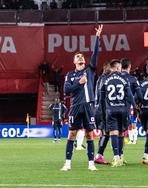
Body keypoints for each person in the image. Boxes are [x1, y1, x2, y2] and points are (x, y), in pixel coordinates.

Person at [60, 24, 103, 171]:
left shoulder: (90, 70)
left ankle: (91, 164)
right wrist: (79, 83)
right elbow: (66, 90)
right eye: (77, 57)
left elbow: (95, 54)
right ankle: (67, 163)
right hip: (75, 107)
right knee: (71, 134)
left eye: (82, 57)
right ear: (74, 62)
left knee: (90, 135)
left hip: (88, 106)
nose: (80, 57)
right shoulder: (70, 75)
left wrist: (97, 38)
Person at [100, 59, 136, 167]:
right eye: (119, 68)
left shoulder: (105, 80)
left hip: (111, 110)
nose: (120, 70)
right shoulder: (124, 79)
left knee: (113, 133)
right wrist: (134, 107)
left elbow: (101, 99)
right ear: (116, 68)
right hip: (123, 110)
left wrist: (103, 113)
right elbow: (129, 96)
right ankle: (121, 156)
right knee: (121, 133)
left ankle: (116, 158)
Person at [120, 58, 142, 145]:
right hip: (130, 103)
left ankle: (131, 140)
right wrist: (136, 101)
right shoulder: (133, 79)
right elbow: (139, 93)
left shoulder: (118, 77)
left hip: (118, 104)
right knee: (132, 121)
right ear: (129, 66)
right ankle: (133, 140)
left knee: (127, 122)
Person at [94, 61, 111, 165]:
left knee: (105, 133)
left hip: (98, 109)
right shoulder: (105, 79)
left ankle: (99, 155)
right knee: (107, 132)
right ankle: (99, 155)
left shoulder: (100, 78)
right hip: (103, 109)